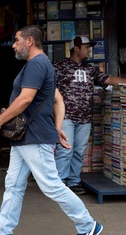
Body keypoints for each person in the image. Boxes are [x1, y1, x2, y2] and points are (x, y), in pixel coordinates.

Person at [0, 25, 103, 235]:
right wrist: (57, 128)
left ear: (29, 41)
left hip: (35, 137)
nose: (13, 45)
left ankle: (88, 226)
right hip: (26, 137)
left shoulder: (37, 64)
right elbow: (58, 100)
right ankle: (2, 230)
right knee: (13, 184)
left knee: (51, 186)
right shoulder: (40, 64)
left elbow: (25, 99)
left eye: (17, 40)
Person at [54, 35, 126, 195]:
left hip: (85, 118)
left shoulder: (91, 69)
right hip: (65, 117)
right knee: (65, 150)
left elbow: (108, 79)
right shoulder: (59, 66)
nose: (89, 50)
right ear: (77, 48)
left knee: (79, 151)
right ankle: (59, 184)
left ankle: (73, 182)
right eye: (86, 47)